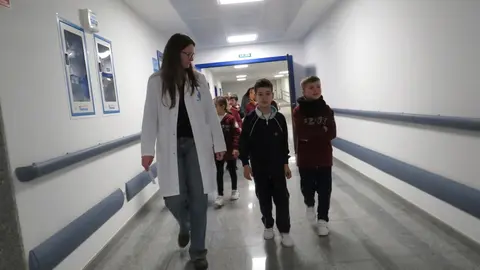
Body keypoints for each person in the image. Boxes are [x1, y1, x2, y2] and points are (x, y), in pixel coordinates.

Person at [140, 33, 226, 270]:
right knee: (173, 198)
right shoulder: (156, 81)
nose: (191, 59)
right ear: (174, 53)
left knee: (199, 198)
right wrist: (146, 149)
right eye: (187, 54)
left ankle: (198, 253)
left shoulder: (198, 80)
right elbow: (149, 117)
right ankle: (185, 224)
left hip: (196, 146)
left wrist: (219, 144)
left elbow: (210, 113)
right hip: (170, 147)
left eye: (193, 55)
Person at [239, 78, 294, 247]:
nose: (264, 97)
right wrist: (245, 164)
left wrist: (285, 163)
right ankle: (268, 225)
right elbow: (244, 144)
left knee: (282, 198)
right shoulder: (250, 119)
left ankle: (284, 230)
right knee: (264, 198)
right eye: (260, 94)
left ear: (272, 95)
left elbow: (284, 143)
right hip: (259, 168)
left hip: (277, 166)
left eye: (267, 94)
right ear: (255, 96)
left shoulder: (279, 118)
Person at [292, 75, 336, 236]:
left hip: (324, 156)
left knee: (325, 190)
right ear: (304, 91)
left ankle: (323, 220)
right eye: (311, 87)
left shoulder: (327, 110)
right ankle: (309, 204)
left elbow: (332, 133)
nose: (315, 90)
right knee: (307, 187)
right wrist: (321, 130)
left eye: (318, 86)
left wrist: (316, 133)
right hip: (306, 158)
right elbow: (302, 133)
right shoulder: (298, 111)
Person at [213, 96, 241, 207]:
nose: (213, 108)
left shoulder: (230, 119)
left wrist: (235, 147)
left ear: (222, 106)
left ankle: (235, 190)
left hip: (230, 150)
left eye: (215, 106)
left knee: (232, 170)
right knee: (219, 173)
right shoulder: (213, 119)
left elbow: (236, 133)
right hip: (218, 151)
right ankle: (220, 195)